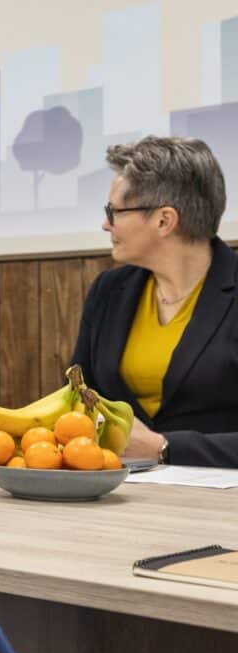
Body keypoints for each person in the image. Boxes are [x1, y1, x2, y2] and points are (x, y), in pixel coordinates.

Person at [71, 135, 238, 467]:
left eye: (113, 211)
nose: (106, 224)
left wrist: (165, 448)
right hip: (115, 493)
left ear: (164, 221)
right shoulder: (109, 290)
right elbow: (75, 395)